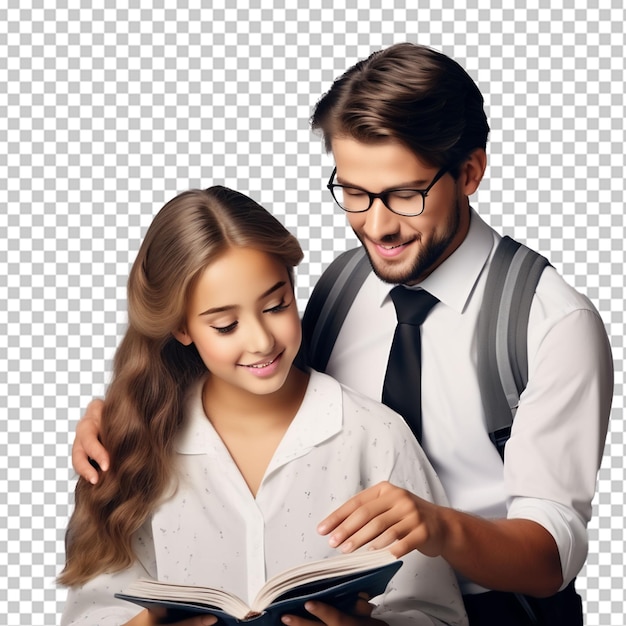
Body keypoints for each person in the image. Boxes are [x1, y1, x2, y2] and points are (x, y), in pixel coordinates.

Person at [70, 44, 614, 625]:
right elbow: (263, 379)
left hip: (501, 609)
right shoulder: (343, 286)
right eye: (354, 192)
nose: (376, 226)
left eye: (405, 194)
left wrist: (438, 526)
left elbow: (552, 555)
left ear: (470, 173)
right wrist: (128, 412)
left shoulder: (550, 322)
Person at [59, 186, 467, 626]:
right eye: (226, 324)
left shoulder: (375, 435)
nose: (260, 341)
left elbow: (436, 610)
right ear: (181, 327)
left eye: (276, 305)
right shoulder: (134, 447)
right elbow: (90, 609)